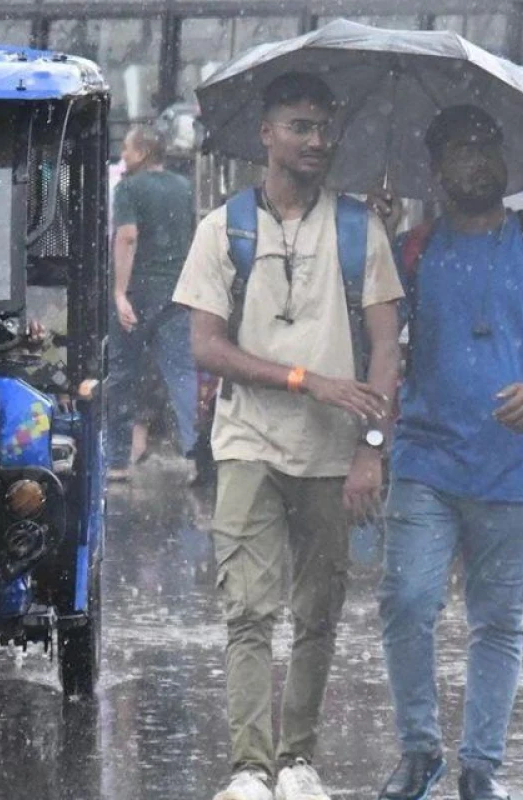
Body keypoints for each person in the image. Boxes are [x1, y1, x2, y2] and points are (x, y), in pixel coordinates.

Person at [175, 72, 403, 800]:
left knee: (319, 608)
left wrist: (372, 450)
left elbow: (388, 349)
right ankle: (248, 767)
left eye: (323, 127)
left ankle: (298, 758)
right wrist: (306, 379)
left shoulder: (359, 229)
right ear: (265, 134)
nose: (315, 140)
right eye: (299, 126)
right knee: (247, 608)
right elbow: (206, 347)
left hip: (335, 453)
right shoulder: (223, 229)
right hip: (247, 442)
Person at [377, 105, 523, 800]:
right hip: (426, 460)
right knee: (408, 601)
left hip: (518, 463)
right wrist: (373, 242)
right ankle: (421, 751)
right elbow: (376, 343)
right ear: (437, 170)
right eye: (461, 151)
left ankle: (481, 767)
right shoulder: (410, 250)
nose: (478, 161)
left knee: (498, 620)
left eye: (488, 147)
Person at [108, 124, 199, 482]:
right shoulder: (183, 187)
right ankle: (197, 456)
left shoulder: (128, 188)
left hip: (138, 293)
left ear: (143, 153)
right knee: (182, 375)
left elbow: (127, 237)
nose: (122, 157)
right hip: (178, 291)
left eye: (127, 150)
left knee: (122, 375)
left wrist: (119, 292)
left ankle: (117, 460)